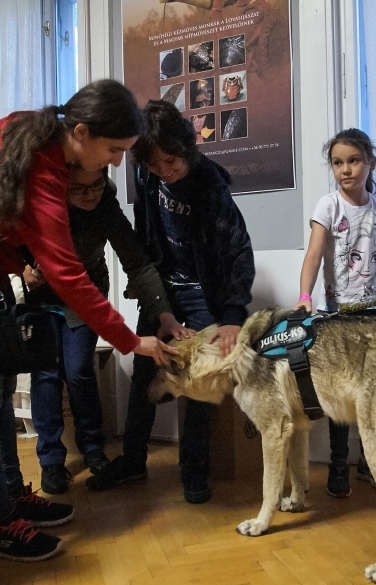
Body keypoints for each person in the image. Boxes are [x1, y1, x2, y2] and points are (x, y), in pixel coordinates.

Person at [0, 80, 178, 562]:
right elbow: (67, 274)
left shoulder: (34, 136)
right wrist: (130, 341)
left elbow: (1, 220)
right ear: (80, 132)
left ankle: (10, 500)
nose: (117, 162)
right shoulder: (41, 168)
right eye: (114, 149)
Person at [86, 100, 255, 504]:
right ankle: (132, 460)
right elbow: (145, 236)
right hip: (162, 290)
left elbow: (239, 253)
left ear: (188, 146)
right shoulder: (147, 175)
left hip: (203, 295)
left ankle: (194, 469)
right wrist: (152, 294)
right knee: (146, 371)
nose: (165, 169)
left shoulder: (210, 187)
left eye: (171, 160)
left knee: (196, 382)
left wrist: (232, 315)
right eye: (154, 163)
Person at [23, 166, 183, 495]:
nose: (91, 194)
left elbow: (136, 262)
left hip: (85, 292)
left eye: (97, 185)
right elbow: (7, 242)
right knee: (46, 374)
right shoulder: (38, 198)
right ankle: (51, 460)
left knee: (80, 369)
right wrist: (21, 270)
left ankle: (93, 448)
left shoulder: (106, 204)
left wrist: (163, 312)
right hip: (39, 297)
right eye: (81, 189)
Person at [294, 128, 376, 498]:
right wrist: (305, 295)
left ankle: (370, 460)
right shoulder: (329, 205)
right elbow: (314, 255)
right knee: (339, 394)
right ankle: (339, 464)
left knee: (375, 392)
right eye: (338, 163)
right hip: (338, 315)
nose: (345, 170)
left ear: (371, 163)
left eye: (353, 161)